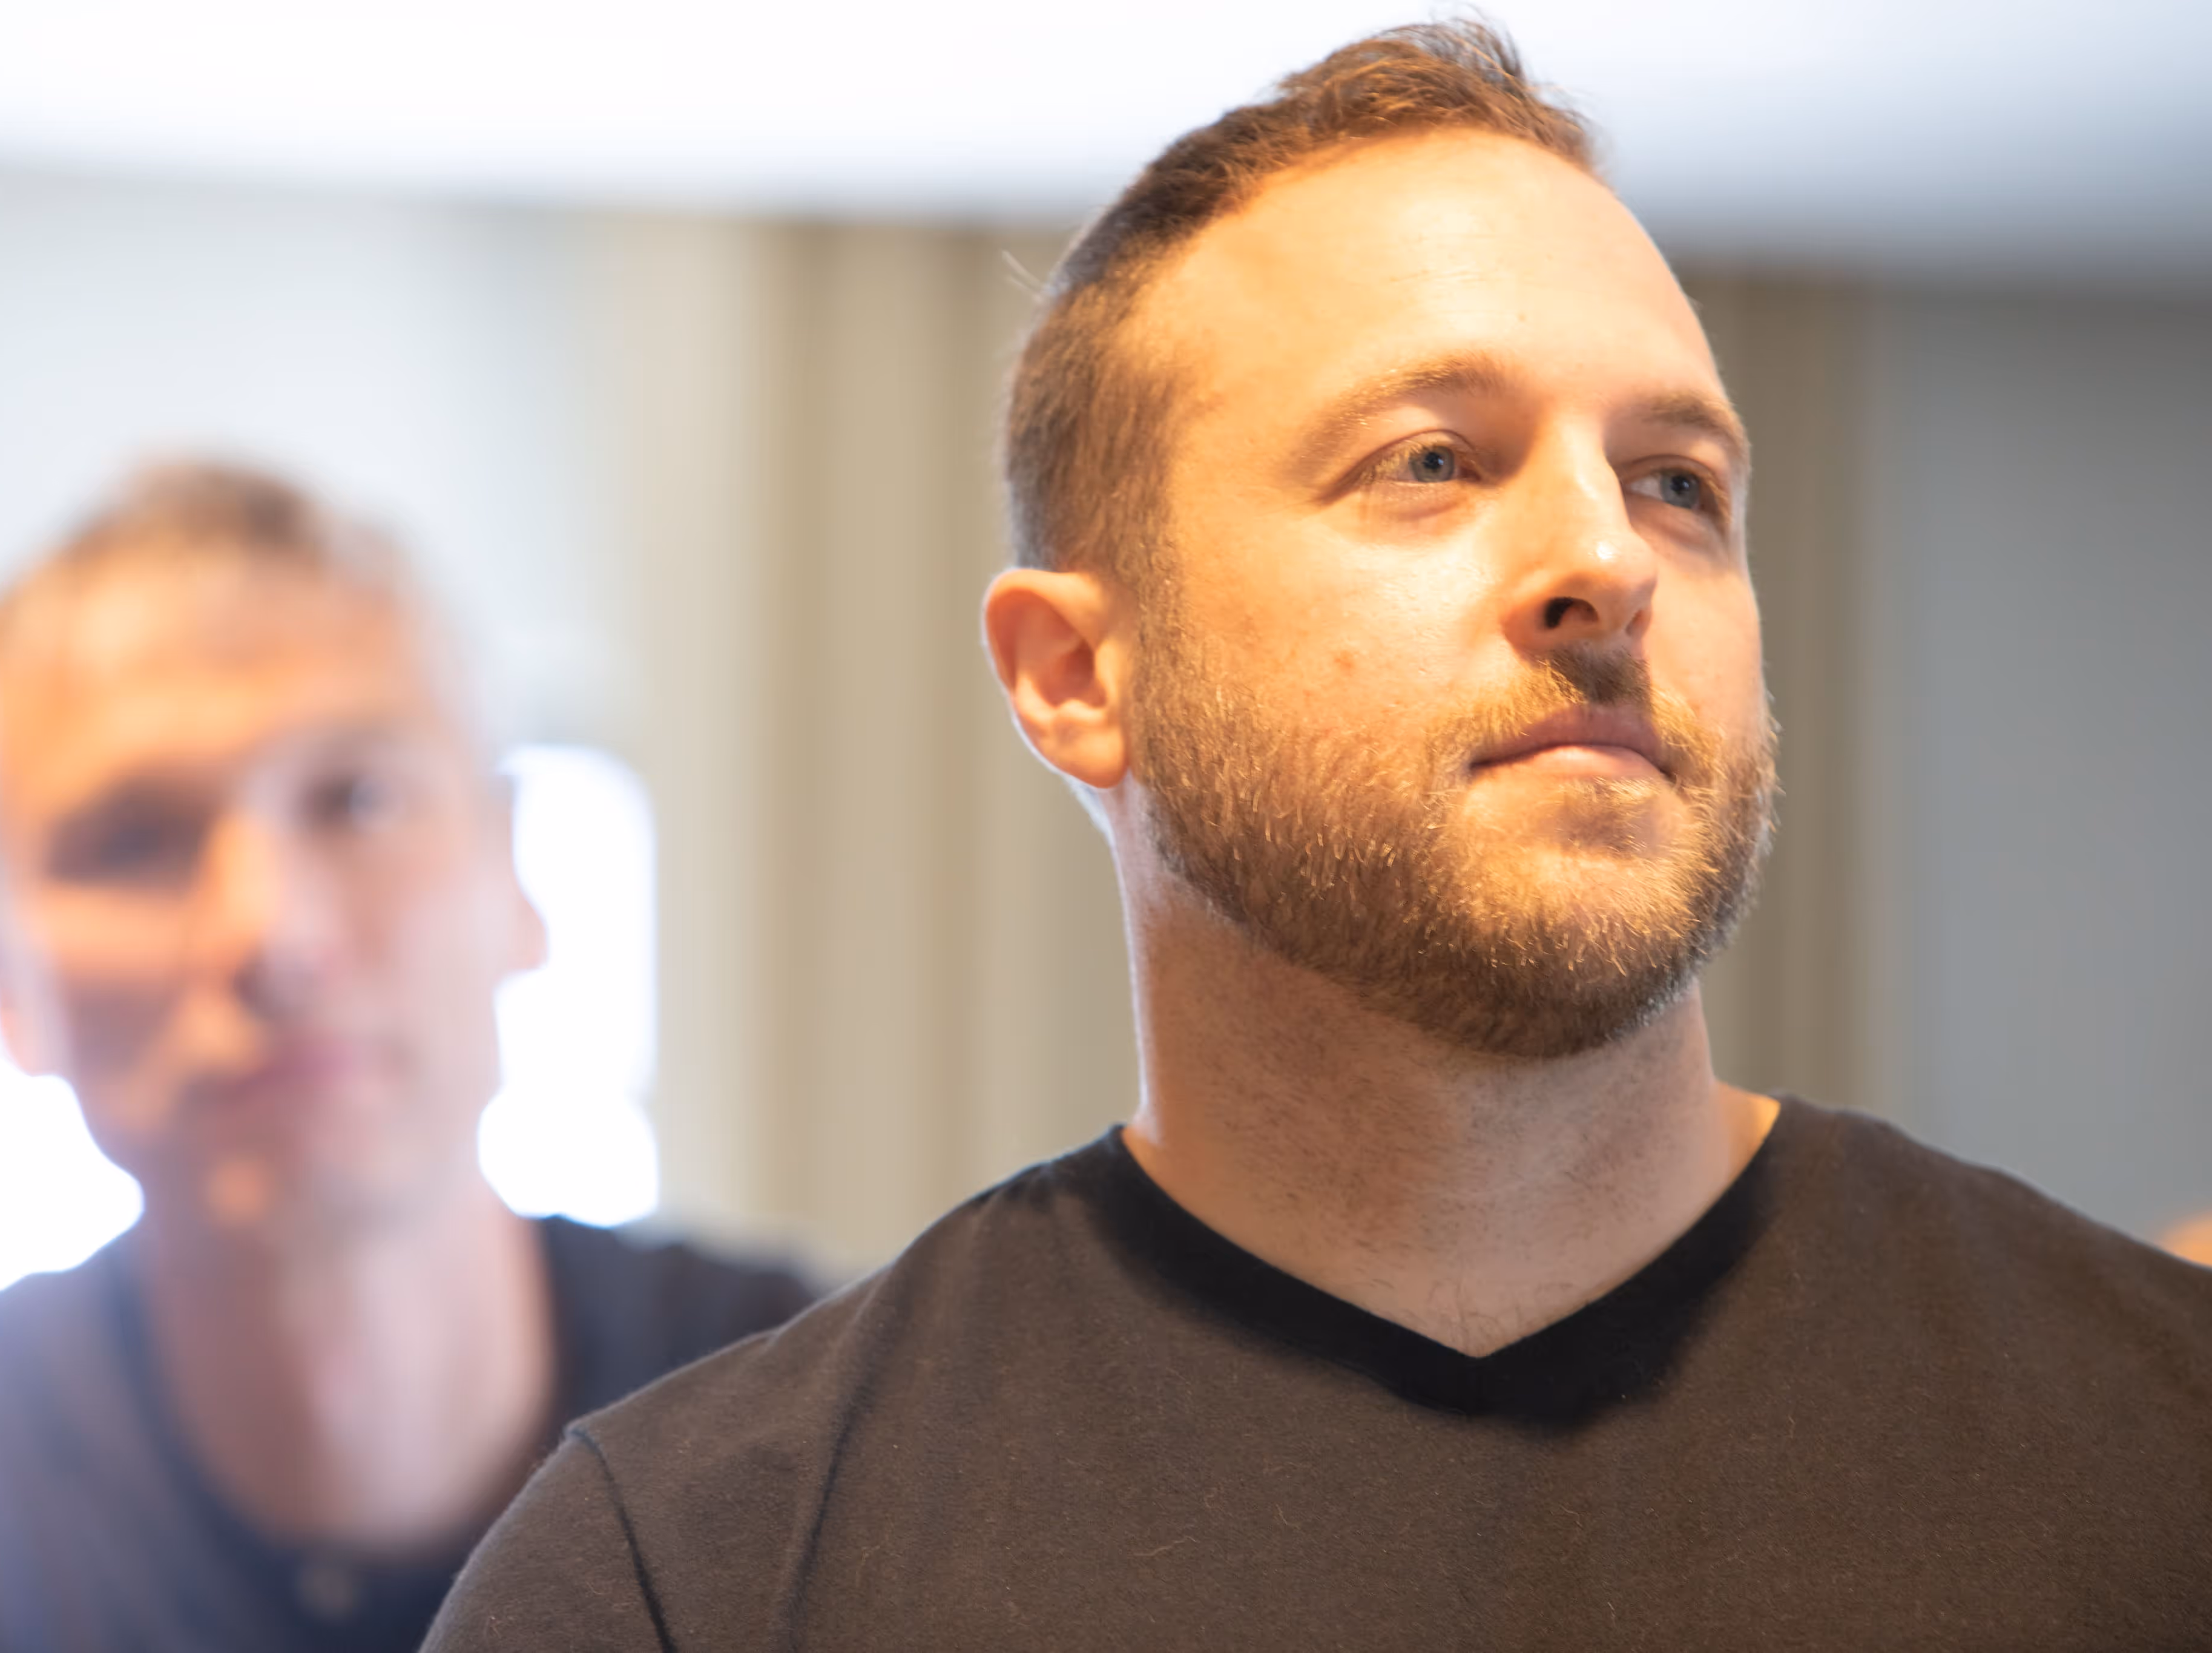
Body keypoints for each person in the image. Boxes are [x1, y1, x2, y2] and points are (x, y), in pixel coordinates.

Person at [423, 22, 2212, 1651]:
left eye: (1679, 483)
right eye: (1434, 460)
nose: (1608, 559)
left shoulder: (2162, 1446)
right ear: (1075, 676)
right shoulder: (695, 1580)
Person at [0, 463, 814, 1652]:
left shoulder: (822, 1424)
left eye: (355, 799)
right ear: (10, 986)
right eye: (134, 839)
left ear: (515, 878)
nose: (271, 936)